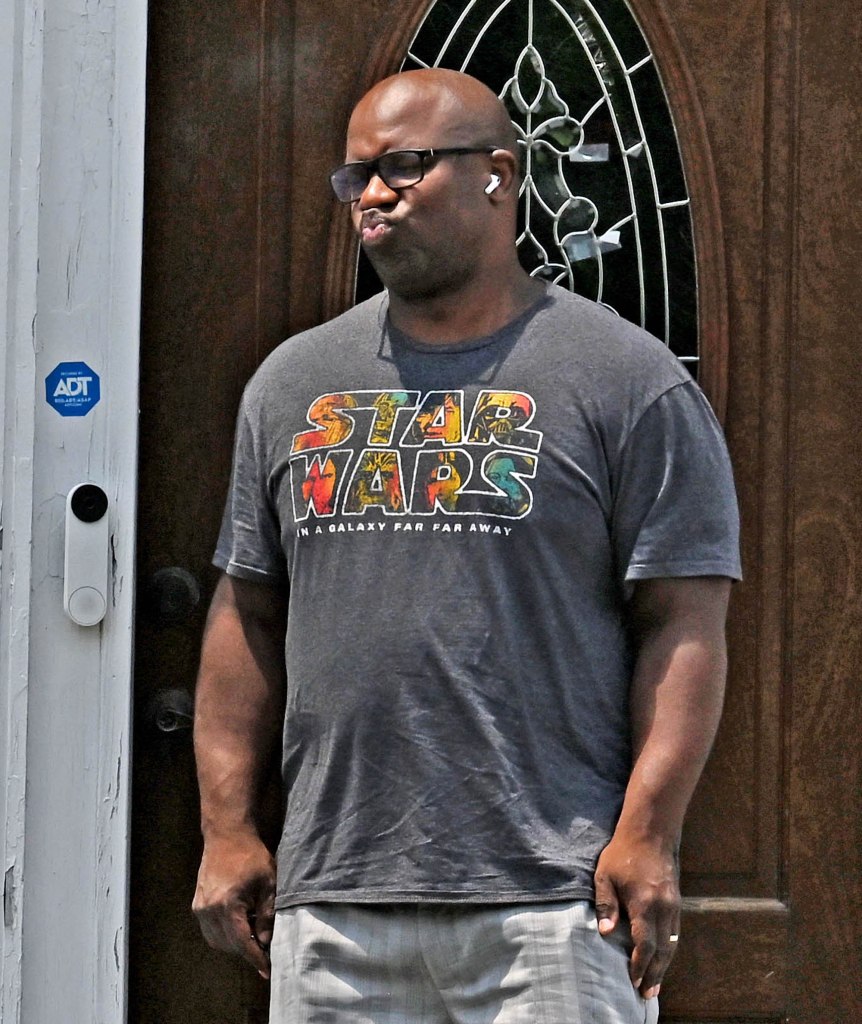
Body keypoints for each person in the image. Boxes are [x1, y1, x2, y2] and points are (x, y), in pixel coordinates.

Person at [192, 68, 741, 1023]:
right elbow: (250, 610)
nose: (371, 194)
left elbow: (683, 623)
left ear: (498, 173)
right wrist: (228, 830)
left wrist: (649, 834)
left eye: (403, 166)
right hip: (334, 905)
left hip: (556, 904)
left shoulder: (624, 381)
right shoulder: (294, 383)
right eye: (356, 174)